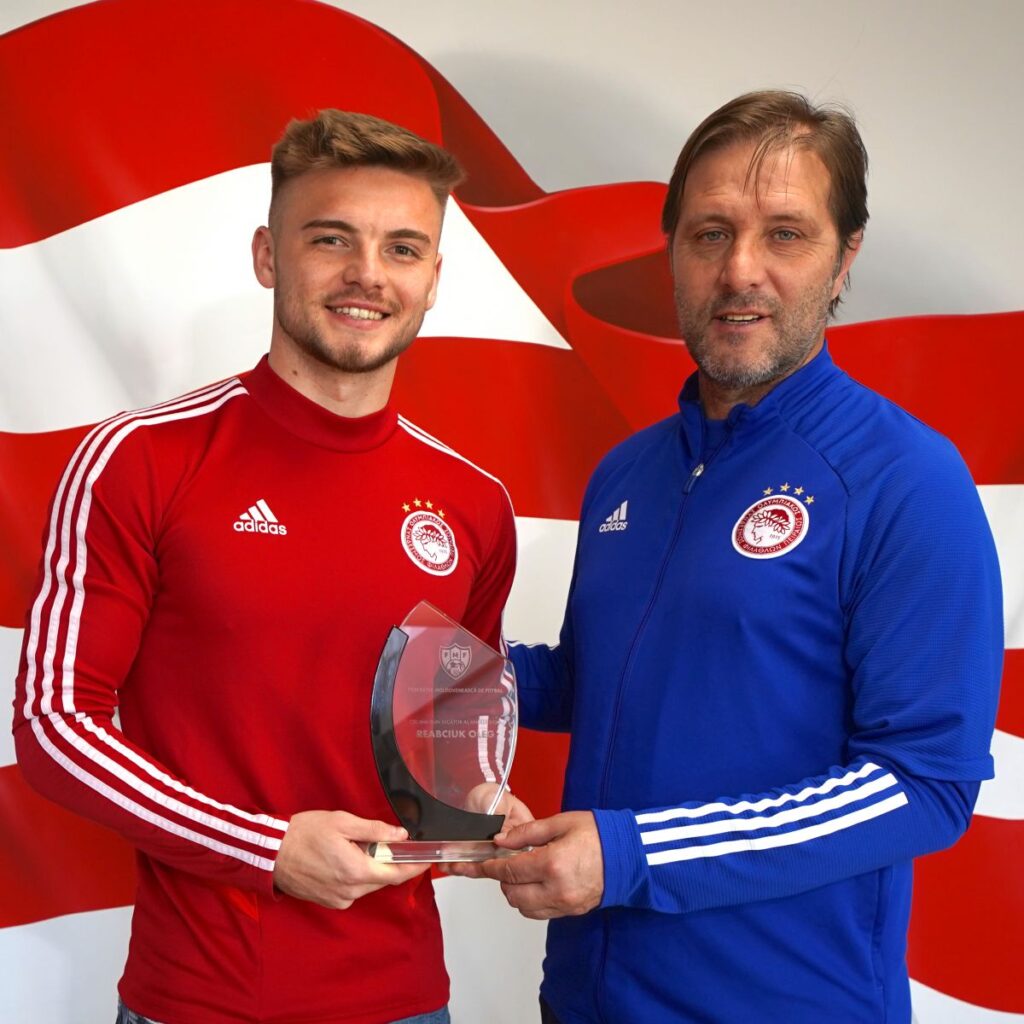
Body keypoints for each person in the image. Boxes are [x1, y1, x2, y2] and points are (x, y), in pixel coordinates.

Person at [448, 91, 1003, 1023]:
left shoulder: (905, 478)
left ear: (845, 256)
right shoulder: (627, 473)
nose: (741, 270)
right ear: (673, 250)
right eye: (710, 234)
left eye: (785, 234)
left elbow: (924, 784)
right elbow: (597, 680)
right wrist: (428, 670)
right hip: (584, 999)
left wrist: (631, 854)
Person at [13, 110, 524, 1024]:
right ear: (267, 256)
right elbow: (56, 725)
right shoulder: (141, 459)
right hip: (202, 999)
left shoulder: (475, 501)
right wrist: (264, 849)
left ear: (434, 278)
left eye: (403, 248)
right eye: (332, 239)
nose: (369, 274)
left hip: (410, 1000)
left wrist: (479, 802)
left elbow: (450, 725)